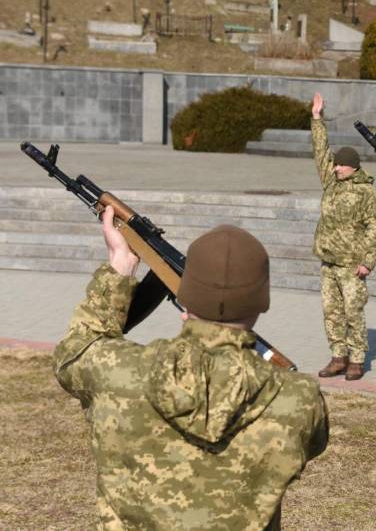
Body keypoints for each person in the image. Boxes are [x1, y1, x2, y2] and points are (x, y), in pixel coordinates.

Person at [54, 207, 328, 530]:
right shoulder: (298, 401)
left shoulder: (118, 374)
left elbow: (75, 351)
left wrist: (120, 267)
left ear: (185, 293)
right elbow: (314, 441)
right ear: (261, 301)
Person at [311, 92, 376, 381]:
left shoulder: (367, 192)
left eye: (341, 164)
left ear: (353, 166)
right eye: (336, 164)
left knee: (353, 312)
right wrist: (317, 119)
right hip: (329, 260)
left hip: (352, 264)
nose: (336, 167)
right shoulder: (332, 182)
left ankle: (356, 360)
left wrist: (368, 261)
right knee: (331, 312)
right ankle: (338, 357)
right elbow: (321, 151)